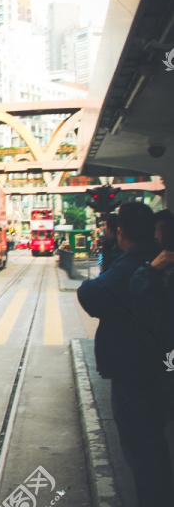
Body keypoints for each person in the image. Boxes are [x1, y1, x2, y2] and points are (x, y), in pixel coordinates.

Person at [77, 202, 170, 506]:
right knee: (153, 441)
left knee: (143, 449)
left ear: (120, 231)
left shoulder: (135, 266)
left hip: (135, 370)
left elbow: (91, 294)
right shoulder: (152, 259)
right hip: (156, 366)